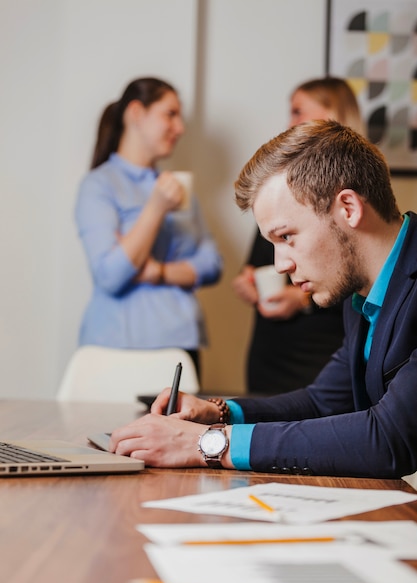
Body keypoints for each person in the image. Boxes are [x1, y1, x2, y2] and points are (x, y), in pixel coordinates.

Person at [109, 120, 417, 479]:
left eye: (286, 236)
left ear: (348, 208)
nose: (280, 264)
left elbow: (391, 438)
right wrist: (220, 414)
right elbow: (323, 402)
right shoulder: (363, 293)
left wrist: (206, 443)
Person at [75, 77, 223, 377]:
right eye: (170, 114)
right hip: (115, 347)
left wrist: (156, 270)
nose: (180, 128)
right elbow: (110, 275)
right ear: (136, 113)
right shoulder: (98, 185)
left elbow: (212, 265)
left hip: (181, 345)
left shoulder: (177, 187)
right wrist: (155, 209)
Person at [233, 77, 364, 393]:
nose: (289, 122)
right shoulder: (277, 190)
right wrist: (250, 281)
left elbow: (362, 272)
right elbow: (259, 263)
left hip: (320, 354)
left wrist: (301, 299)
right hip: (270, 352)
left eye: (297, 111)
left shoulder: (360, 191)